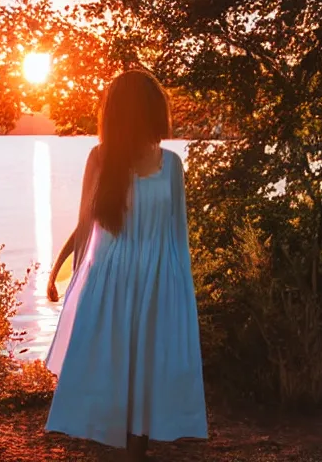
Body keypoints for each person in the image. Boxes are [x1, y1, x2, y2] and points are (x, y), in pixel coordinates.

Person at [44, 69, 208, 462]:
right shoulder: (101, 159)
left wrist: (181, 296)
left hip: (156, 282)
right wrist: (61, 272)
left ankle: (134, 452)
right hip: (111, 281)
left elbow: (178, 237)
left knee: (145, 373)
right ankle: (116, 448)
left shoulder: (171, 165)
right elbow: (87, 225)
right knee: (112, 371)